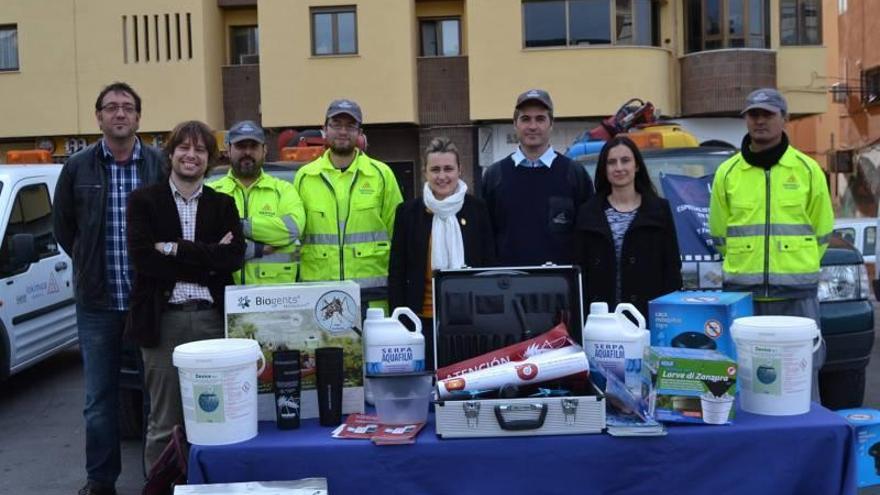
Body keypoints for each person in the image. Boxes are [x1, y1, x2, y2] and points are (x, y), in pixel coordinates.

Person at [53, 82, 166, 495]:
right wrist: (87, 264)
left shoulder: (157, 164)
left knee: (158, 398)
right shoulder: (77, 168)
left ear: (139, 117)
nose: (120, 114)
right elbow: (65, 229)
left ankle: (160, 476)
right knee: (100, 401)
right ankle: (101, 481)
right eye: (111, 107)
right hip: (98, 304)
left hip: (149, 301)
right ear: (98, 116)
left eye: (128, 107)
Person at [125, 120, 245, 469]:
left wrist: (174, 249)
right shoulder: (143, 201)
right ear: (171, 153)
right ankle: (161, 487)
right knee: (165, 424)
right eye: (184, 148)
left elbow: (233, 258)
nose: (191, 155)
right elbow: (144, 259)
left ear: (209, 159)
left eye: (200, 150)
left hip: (212, 322)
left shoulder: (223, 205)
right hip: (163, 324)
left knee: (217, 418)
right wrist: (206, 256)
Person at [708, 88, 833, 400]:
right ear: (746, 120)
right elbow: (719, 233)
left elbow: (822, 232)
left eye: (767, 114)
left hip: (796, 294)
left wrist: (794, 267)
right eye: (753, 114)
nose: (759, 121)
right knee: (746, 375)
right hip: (744, 294)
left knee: (801, 375)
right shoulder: (728, 172)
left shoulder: (807, 170)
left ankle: (804, 437)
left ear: (784, 119)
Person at [389, 137, 495, 369]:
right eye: (435, 169)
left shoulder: (477, 210)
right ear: (425, 172)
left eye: (448, 169)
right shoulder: (407, 213)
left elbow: (489, 265)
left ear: (460, 170)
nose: (442, 176)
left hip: (469, 322)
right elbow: (397, 271)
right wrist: (398, 320)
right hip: (420, 320)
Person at [294, 99, 403, 296]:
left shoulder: (382, 175)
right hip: (319, 294)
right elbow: (295, 238)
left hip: (371, 294)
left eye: (350, 126)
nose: (343, 131)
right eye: (336, 125)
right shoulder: (305, 177)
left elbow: (399, 235)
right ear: (324, 129)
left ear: (360, 133)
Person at [482, 89, 594, 266]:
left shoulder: (574, 174)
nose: (533, 126)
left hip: (561, 286)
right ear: (515, 124)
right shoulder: (495, 176)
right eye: (525, 119)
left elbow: (588, 238)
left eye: (540, 119)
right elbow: (485, 239)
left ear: (551, 124)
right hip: (508, 286)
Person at [575, 136, 682, 318]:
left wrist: (666, 316)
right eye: (611, 162)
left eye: (625, 160)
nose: (619, 168)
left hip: (645, 317)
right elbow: (580, 270)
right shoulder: (588, 212)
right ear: (604, 169)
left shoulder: (659, 210)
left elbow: (671, 270)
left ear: (637, 166)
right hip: (600, 319)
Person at [209, 120, 305, 284]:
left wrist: (238, 226)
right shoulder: (211, 192)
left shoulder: (283, 190)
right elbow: (206, 242)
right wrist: (257, 248)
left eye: (253, 146)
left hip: (277, 299)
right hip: (225, 297)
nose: (247, 152)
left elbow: (292, 229)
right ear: (228, 150)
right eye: (240, 146)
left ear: (265, 150)